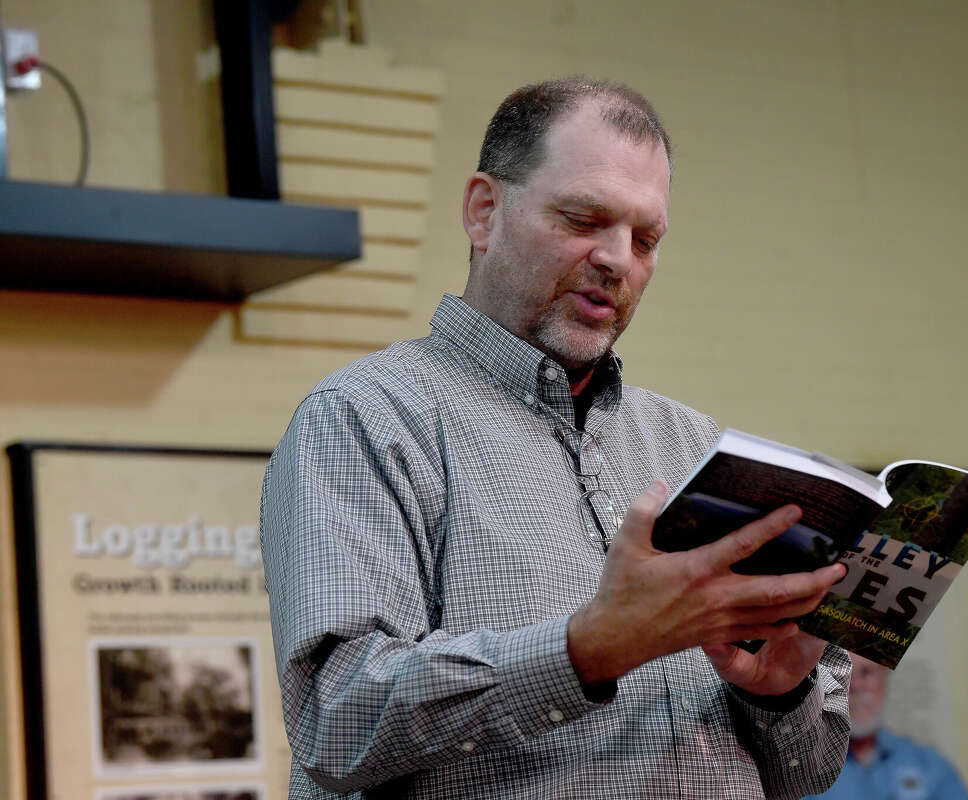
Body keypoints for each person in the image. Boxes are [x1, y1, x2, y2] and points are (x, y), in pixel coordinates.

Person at [261, 77, 851, 800]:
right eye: (583, 219)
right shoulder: (367, 417)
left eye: (645, 238)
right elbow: (333, 721)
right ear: (485, 211)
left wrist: (779, 694)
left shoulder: (699, 448)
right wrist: (587, 650)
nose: (617, 259)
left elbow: (808, 772)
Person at [805, 654, 968, 799]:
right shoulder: (799, 770)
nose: (854, 686)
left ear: (885, 678)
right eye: (841, 675)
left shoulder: (930, 765)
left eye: (866, 672)